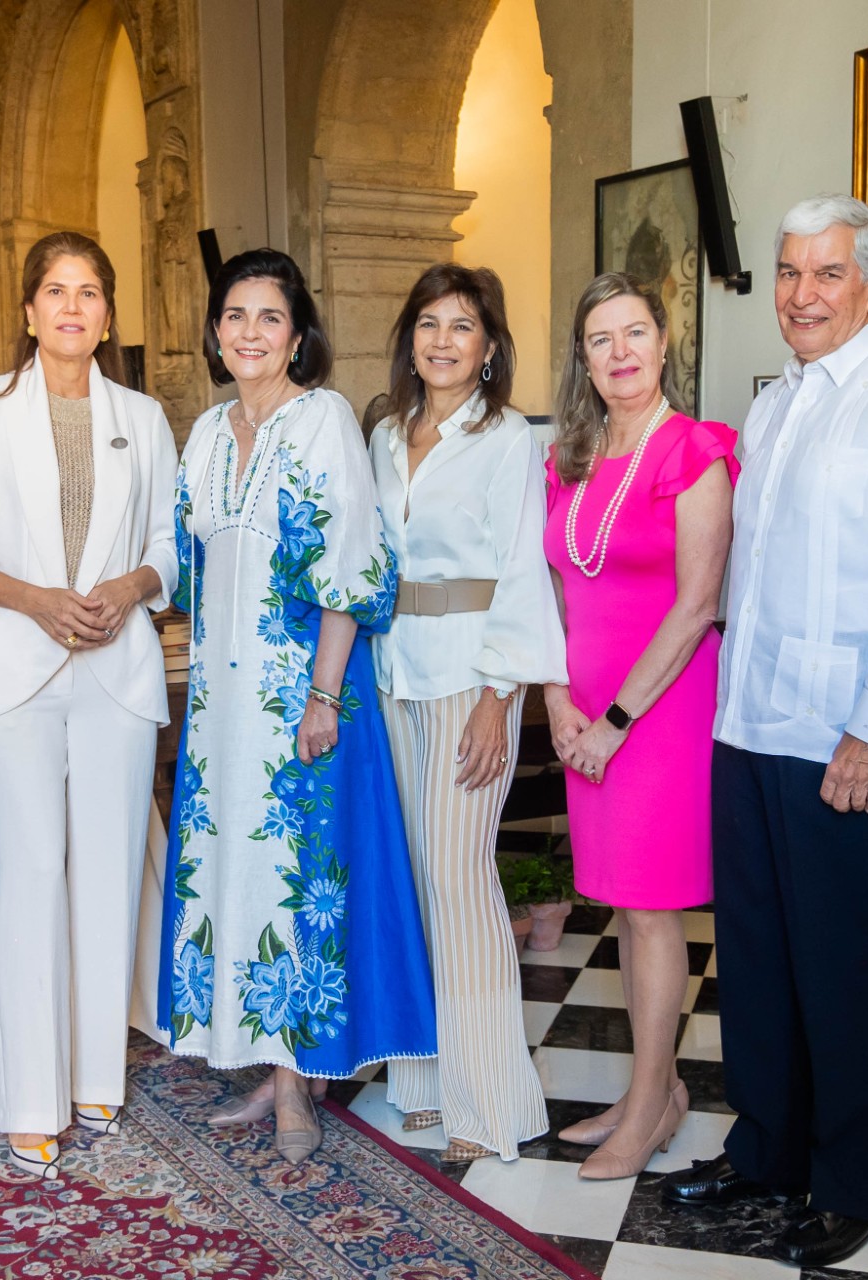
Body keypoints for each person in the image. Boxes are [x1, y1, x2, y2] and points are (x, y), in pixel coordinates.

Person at [658, 195, 868, 1269]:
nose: (801, 294)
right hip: (751, 724)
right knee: (755, 959)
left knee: (842, 967)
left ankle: (848, 1185)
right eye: (790, 272)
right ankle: (766, 1151)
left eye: (827, 273)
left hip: (844, 734)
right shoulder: (773, 405)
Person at [157, 248, 437, 1164]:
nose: (250, 333)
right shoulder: (205, 433)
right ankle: (257, 1058)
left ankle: (295, 1084)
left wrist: (322, 696)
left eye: (269, 317)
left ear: (297, 335)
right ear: (215, 332)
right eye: (235, 316)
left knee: (295, 876)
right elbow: (191, 571)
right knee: (237, 874)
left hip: (301, 695)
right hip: (222, 707)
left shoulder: (322, 423)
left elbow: (352, 565)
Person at [0, 231, 178, 1174]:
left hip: (117, 670)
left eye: (90, 292)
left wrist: (131, 585)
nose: (73, 307)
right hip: (17, 671)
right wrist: (34, 599)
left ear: (107, 315)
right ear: (29, 312)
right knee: (31, 873)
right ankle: (32, 1097)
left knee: (107, 874)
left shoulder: (142, 416)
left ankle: (97, 1073)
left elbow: (170, 544)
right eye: (56, 291)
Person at [541, 273, 736, 1181]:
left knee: (654, 910)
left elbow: (697, 605)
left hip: (657, 711)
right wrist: (558, 701)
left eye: (635, 333)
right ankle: (650, 1089)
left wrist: (616, 721)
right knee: (624, 904)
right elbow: (551, 591)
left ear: (664, 342)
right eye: (600, 339)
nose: (620, 353)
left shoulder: (694, 451)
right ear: (583, 360)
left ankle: (652, 1108)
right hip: (583, 712)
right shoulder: (570, 458)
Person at [369, 264, 564, 1162]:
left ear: (489, 347)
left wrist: (499, 694)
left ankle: (489, 1105)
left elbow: (522, 568)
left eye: (462, 326)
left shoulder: (506, 438)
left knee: (460, 879)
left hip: (469, 676)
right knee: (411, 879)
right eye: (429, 324)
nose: (442, 340)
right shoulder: (384, 434)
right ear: (409, 337)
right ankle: (421, 1083)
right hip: (391, 674)